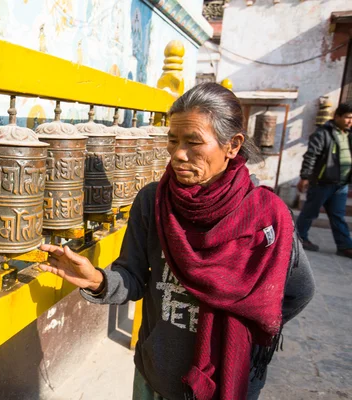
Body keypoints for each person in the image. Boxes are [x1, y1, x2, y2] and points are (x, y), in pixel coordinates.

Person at [39, 83, 315, 400]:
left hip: (229, 379)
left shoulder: (266, 216)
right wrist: (97, 280)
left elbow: (299, 292)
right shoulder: (153, 202)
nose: (179, 154)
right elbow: (133, 278)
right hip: (156, 376)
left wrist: (244, 331)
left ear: (233, 145)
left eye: (193, 142)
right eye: (173, 141)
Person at [296, 102, 352, 257]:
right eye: (347, 117)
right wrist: (305, 177)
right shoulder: (323, 133)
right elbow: (311, 155)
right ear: (337, 116)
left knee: (338, 216)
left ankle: (345, 245)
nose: (350, 121)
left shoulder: (348, 134)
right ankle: (299, 240)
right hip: (322, 183)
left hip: (340, 185)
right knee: (309, 213)